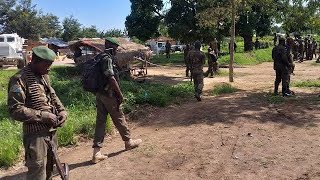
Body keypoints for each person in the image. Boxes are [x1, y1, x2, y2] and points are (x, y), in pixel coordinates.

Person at [7, 46, 68, 180]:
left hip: (51, 132)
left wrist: (62, 111)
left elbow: (53, 96)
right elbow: (15, 109)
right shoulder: (19, 79)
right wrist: (44, 116)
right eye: (46, 65)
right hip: (35, 136)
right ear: (34, 61)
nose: (49, 68)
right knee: (37, 173)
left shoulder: (44, 76)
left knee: (49, 171)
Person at [92, 37, 142, 163]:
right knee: (119, 118)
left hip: (99, 94)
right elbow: (111, 78)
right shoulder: (107, 58)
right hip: (109, 95)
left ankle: (96, 153)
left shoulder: (99, 57)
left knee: (100, 122)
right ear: (110, 45)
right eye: (115, 47)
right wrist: (119, 94)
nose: (116, 50)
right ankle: (128, 142)